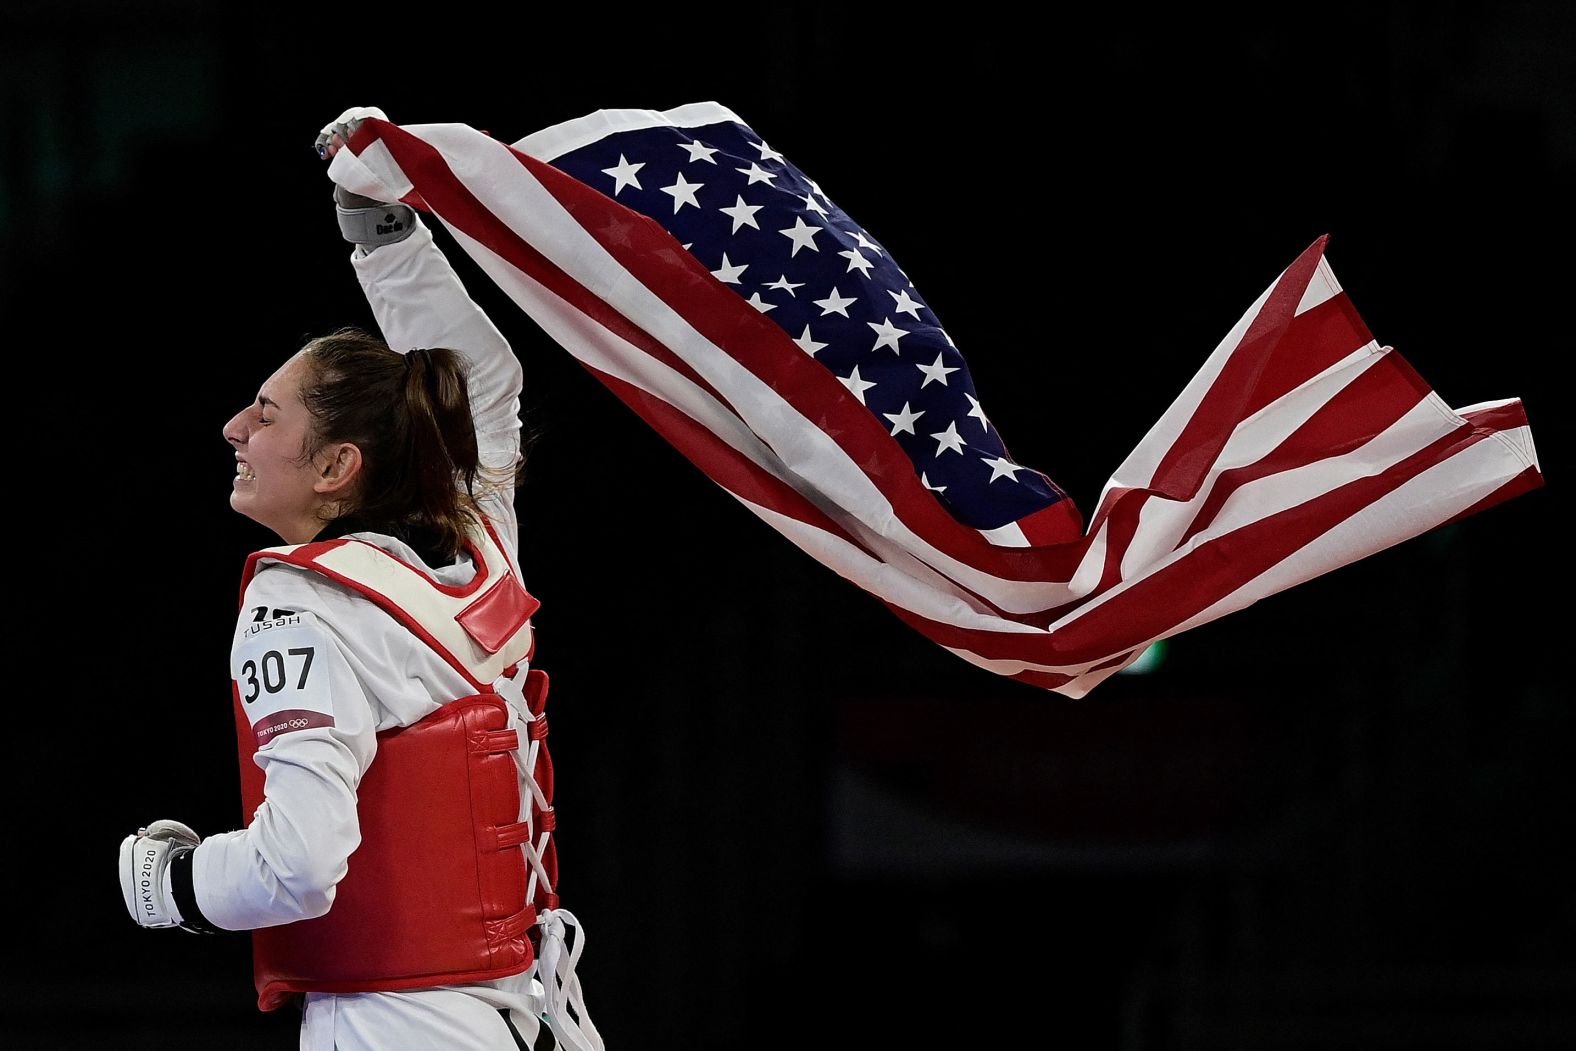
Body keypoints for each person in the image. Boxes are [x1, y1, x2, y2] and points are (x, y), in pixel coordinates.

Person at [118, 107, 603, 1051]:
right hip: (520, 1014)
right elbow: (484, 382)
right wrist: (382, 228)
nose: (234, 429)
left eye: (265, 412)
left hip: (393, 1025)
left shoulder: (303, 603)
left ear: (337, 467)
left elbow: (298, 865)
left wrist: (173, 885)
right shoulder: (479, 546)